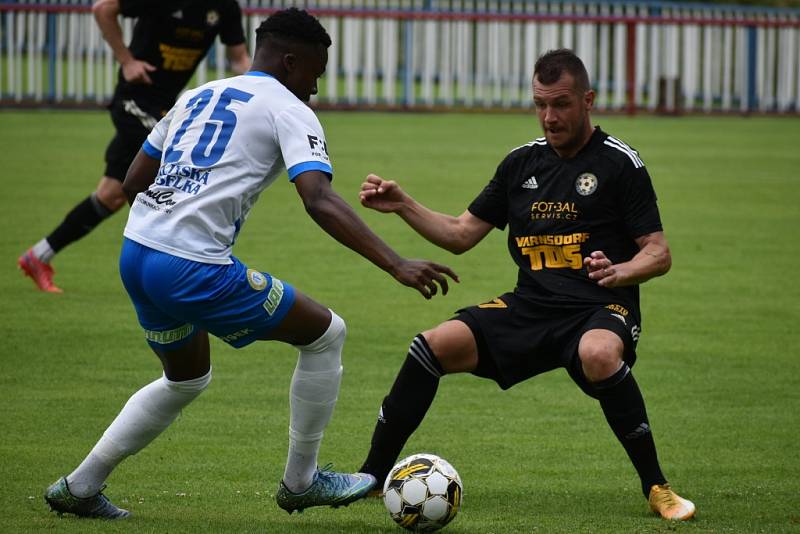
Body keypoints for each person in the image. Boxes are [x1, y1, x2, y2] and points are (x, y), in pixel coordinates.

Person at [44, 7, 457, 520]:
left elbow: (132, 183)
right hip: (189, 267)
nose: (316, 88)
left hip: (137, 252)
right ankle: (301, 482)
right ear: (290, 62)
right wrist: (396, 263)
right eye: (315, 74)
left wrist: (170, 225)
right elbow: (319, 199)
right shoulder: (289, 108)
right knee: (327, 333)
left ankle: (79, 487)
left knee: (186, 379)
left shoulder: (198, 94)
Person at [357, 49, 696, 521]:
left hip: (600, 307)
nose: (549, 117)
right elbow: (459, 235)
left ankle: (657, 486)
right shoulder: (520, 164)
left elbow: (658, 252)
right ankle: (372, 478)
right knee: (430, 346)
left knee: (598, 354)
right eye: (540, 103)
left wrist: (621, 272)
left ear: (588, 100)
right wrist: (404, 205)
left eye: (560, 104)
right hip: (531, 307)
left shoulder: (621, 164)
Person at [18, 0, 251, 293]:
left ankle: (38, 256)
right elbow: (102, 9)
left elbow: (240, 60)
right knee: (181, 169)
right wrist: (127, 61)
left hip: (165, 110)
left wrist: (268, 89)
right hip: (133, 101)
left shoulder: (225, 7)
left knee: (111, 195)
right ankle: (188, 268)